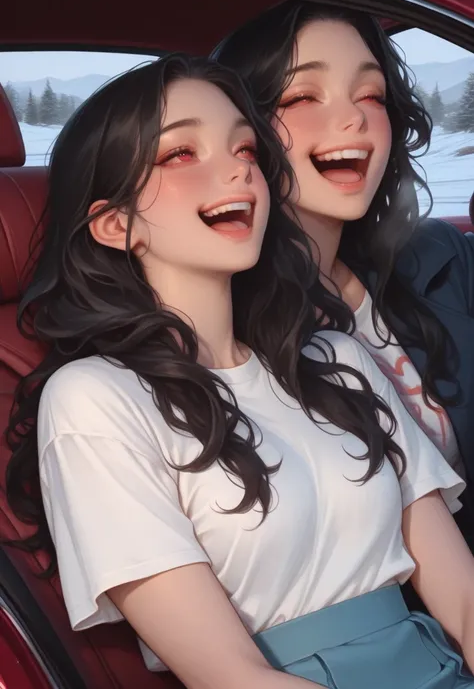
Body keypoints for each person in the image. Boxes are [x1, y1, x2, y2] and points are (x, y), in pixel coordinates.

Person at [4, 54, 474, 688]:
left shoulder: (336, 359)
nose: (237, 170)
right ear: (115, 225)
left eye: (246, 148)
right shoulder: (94, 400)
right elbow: (227, 674)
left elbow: (464, 601)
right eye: (180, 154)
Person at [212, 1, 474, 541]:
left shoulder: (439, 257)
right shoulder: (216, 322)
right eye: (303, 97)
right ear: (240, 131)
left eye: (372, 95)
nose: (354, 117)